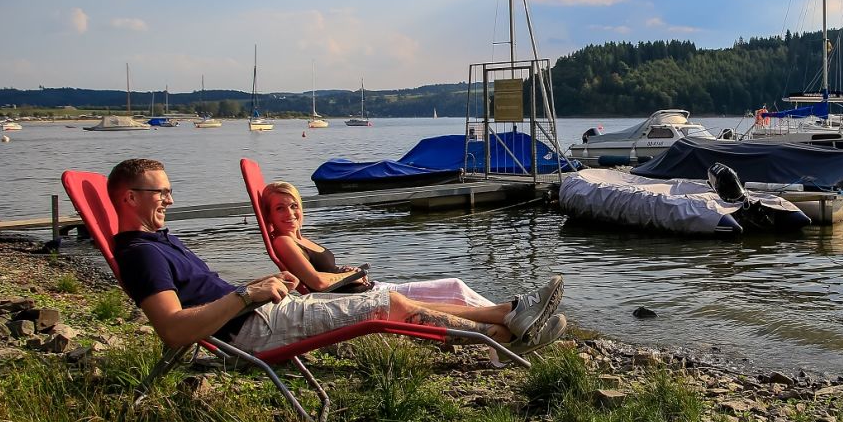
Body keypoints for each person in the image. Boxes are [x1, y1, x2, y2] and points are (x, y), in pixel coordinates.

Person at [108, 159, 565, 356]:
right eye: (161, 192)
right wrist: (247, 296)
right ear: (130, 198)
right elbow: (172, 331)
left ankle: (509, 316)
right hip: (250, 332)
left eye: (169, 190)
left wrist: (259, 291)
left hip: (265, 313)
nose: (169, 198)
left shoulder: (159, 242)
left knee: (398, 304)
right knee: (390, 306)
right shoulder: (141, 254)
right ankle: (506, 336)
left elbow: (200, 299)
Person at [259, 179, 564, 351]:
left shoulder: (302, 237)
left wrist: (350, 271)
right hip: (357, 298)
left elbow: (323, 274)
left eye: (294, 205)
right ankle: (514, 317)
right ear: (269, 217)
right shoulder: (285, 241)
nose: (289, 213)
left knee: (452, 291)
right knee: (453, 290)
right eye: (279, 209)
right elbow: (317, 283)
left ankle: (516, 321)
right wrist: (354, 272)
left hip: (368, 289)